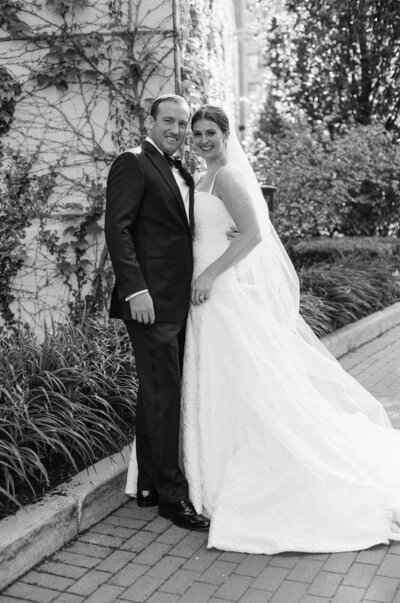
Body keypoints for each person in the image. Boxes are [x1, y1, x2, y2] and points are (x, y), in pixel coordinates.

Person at [179, 104, 400, 553]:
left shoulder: (228, 178)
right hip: (201, 294)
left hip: (215, 291)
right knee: (219, 381)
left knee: (241, 380)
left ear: (226, 135)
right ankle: (209, 465)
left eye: (210, 132)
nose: (202, 140)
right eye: (196, 133)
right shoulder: (201, 178)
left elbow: (253, 235)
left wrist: (208, 275)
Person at [105, 94, 209, 531]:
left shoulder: (179, 167)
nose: (178, 129)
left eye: (184, 123)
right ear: (150, 121)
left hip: (176, 300)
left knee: (157, 392)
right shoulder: (133, 162)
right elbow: (118, 229)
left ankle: (148, 484)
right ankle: (172, 497)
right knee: (165, 394)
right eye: (170, 121)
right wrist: (137, 291)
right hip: (149, 303)